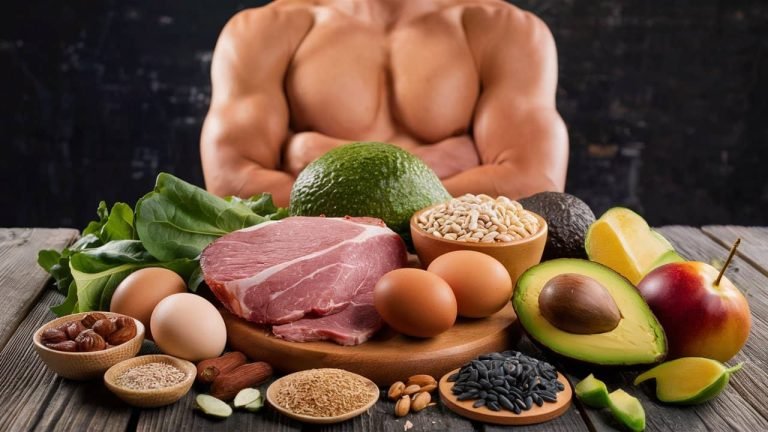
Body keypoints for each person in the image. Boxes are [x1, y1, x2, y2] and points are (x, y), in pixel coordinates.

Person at [201, 0, 568, 207]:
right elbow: (234, 186)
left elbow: (534, 186)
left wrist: (317, 156)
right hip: (313, 274)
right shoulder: (264, 31)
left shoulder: (507, 30)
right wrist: (445, 163)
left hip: (460, 283)